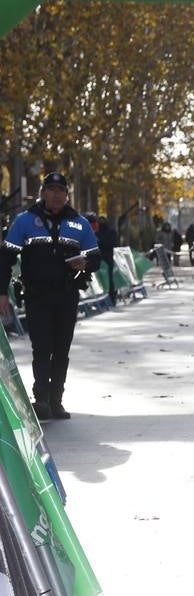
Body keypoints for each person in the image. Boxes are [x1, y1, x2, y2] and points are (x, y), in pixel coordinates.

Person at [0, 172, 100, 420]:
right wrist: (2, 292)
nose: (56, 195)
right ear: (43, 193)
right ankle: (41, 399)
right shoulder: (24, 221)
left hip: (67, 295)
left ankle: (57, 401)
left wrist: (85, 263)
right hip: (37, 296)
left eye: (61, 191)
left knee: (61, 349)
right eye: (51, 190)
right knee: (42, 347)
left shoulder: (79, 223)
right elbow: (5, 258)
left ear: (67, 195)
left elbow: (96, 258)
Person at [96, 215, 118, 305]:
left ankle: (111, 298)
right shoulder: (96, 233)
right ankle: (103, 299)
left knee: (110, 279)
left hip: (108, 258)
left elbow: (115, 243)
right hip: (99, 259)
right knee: (101, 279)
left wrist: (102, 243)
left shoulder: (111, 232)